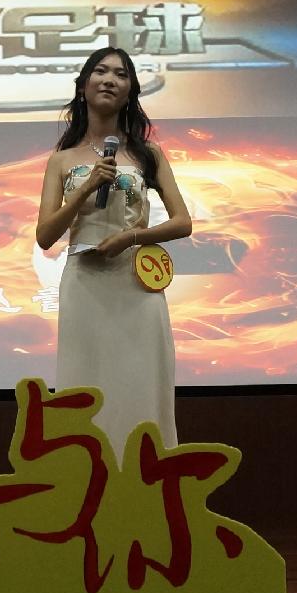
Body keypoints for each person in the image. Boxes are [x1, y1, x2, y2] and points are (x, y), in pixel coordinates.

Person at [35, 46, 194, 448]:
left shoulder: (147, 153)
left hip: (136, 284)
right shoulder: (62, 160)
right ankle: (87, 470)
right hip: (85, 282)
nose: (110, 80)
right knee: (86, 379)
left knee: (141, 380)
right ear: (83, 86)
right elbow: (45, 236)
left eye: (121, 75)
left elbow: (182, 222)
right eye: (101, 72)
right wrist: (85, 187)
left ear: (130, 91)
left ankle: (147, 471)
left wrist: (131, 237)